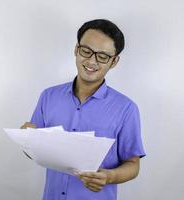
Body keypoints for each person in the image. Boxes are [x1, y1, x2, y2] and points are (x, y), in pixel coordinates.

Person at [21, 19, 146, 200]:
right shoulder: (48, 96)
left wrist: (109, 177)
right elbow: (34, 153)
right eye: (86, 51)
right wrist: (27, 139)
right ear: (76, 49)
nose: (91, 61)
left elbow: (133, 164)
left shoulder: (126, 109)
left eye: (102, 56)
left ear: (114, 61)